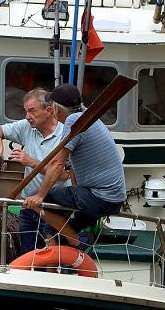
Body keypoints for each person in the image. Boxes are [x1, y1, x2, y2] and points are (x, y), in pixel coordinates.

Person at [19, 83, 127, 250]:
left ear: (56, 108)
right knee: (53, 230)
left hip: (100, 197)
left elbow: (57, 163)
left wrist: (39, 196)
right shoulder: (87, 115)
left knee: (41, 200)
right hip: (111, 197)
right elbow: (73, 167)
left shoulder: (73, 121)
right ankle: (61, 257)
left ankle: (77, 241)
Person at [0, 88, 69, 253]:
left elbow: (62, 175)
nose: (27, 116)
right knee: (29, 256)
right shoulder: (27, 127)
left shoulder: (66, 135)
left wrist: (31, 162)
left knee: (55, 259)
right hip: (28, 207)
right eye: (26, 111)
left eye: (32, 111)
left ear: (48, 111)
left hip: (54, 209)